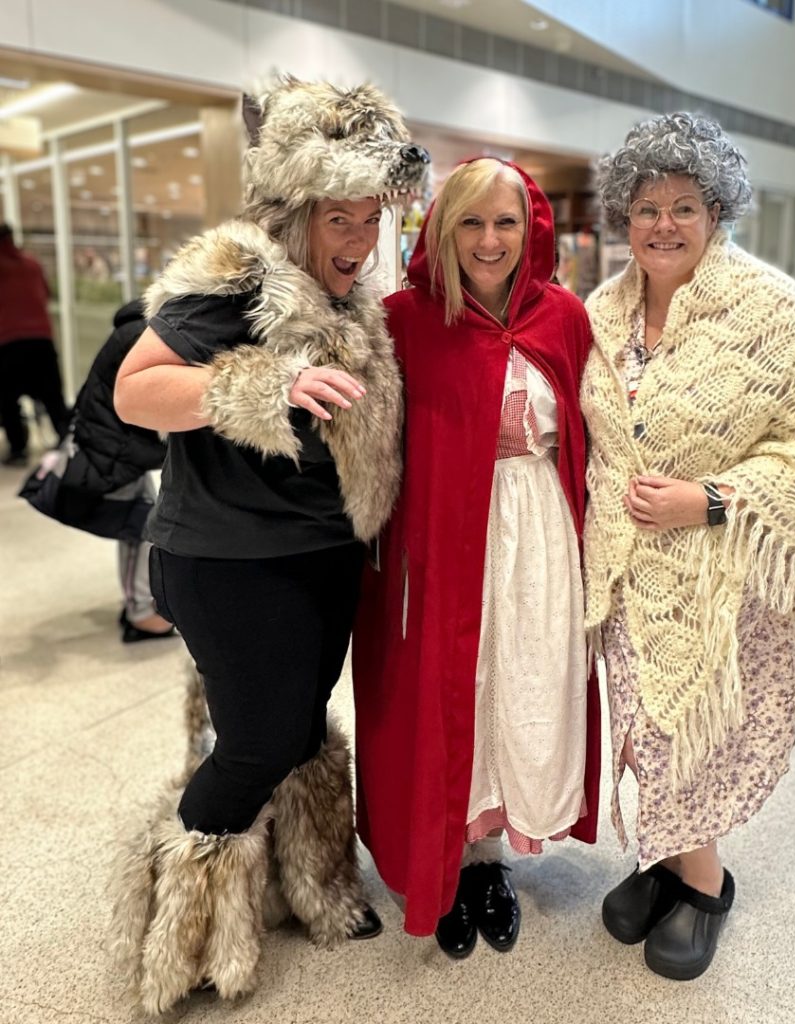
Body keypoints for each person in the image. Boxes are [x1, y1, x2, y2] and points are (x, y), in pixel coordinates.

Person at [107, 79, 430, 1015]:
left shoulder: (350, 294)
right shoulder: (237, 274)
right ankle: (187, 927)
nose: (359, 240)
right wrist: (266, 386)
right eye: (341, 218)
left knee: (296, 727)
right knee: (256, 741)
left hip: (320, 558)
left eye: (370, 219)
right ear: (294, 209)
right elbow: (137, 391)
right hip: (229, 560)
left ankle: (311, 885)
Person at [581, 113, 795, 981]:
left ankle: (703, 884)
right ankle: (666, 861)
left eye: (683, 206)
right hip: (626, 573)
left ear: (718, 212)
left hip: (725, 579)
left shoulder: (772, 310)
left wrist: (711, 498)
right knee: (635, 731)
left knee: (689, 734)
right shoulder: (601, 310)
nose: (662, 225)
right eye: (645, 208)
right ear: (621, 218)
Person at [352, 158, 600, 958]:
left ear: (531, 228)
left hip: (540, 541)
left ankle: (490, 858)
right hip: (440, 544)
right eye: (471, 222)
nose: (489, 240)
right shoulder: (400, 321)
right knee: (447, 692)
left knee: (519, 687)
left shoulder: (564, 316)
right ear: (442, 227)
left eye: (505, 223)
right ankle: (444, 862)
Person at [18, 299, 174, 641]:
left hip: (113, 447)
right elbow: (143, 405)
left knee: (142, 526)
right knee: (141, 527)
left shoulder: (135, 329)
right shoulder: (144, 335)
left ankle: (142, 607)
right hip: (115, 452)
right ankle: (143, 613)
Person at [0, 223, 71, 466]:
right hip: (40, 338)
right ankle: (67, 441)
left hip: (7, 341)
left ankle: (19, 449)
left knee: (8, 401)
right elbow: (45, 294)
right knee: (53, 396)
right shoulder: (31, 264)